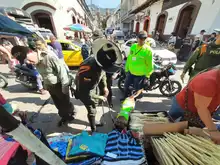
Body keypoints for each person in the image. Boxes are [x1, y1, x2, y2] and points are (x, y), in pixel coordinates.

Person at [19, 39, 75, 126]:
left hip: (59, 85)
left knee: (64, 105)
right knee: (58, 104)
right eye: (28, 61)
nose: (30, 63)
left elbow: (62, 72)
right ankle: (67, 113)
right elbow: (43, 75)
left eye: (31, 61)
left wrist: (65, 86)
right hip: (50, 86)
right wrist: (45, 85)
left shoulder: (49, 57)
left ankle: (67, 117)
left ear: (34, 54)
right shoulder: (35, 61)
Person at [75, 38, 122, 132]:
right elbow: (86, 92)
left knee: (95, 105)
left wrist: (104, 87)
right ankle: (93, 129)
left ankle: (93, 121)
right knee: (92, 110)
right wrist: (99, 97)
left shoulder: (100, 62)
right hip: (84, 90)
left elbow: (103, 74)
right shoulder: (88, 69)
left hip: (92, 86)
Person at [169, 67, 220, 144]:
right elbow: (201, 108)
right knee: (168, 130)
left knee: (190, 135)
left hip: (201, 111)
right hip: (182, 107)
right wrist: (213, 130)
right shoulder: (208, 81)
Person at [122, 31, 153, 100]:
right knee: (126, 86)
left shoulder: (148, 50)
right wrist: (126, 69)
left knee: (136, 90)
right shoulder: (133, 46)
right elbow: (129, 58)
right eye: (140, 38)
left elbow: (150, 65)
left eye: (143, 39)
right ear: (137, 38)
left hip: (140, 75)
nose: (141, 40)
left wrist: (147, 76)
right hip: (130, 72)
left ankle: (132, 102)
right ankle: (124, 97)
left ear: (145, 39)